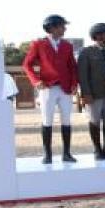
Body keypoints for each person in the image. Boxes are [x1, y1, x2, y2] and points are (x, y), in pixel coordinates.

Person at [22, 14, 79, 164]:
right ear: (52, 27)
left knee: (66, 121)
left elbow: (72, 66)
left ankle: (66, 153)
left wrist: (74, 84)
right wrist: (35, 81)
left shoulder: (67, 45)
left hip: (65, 88)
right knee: (47, 121)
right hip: (47, 88)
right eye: (62, 26)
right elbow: (26, 65)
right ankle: (47, 155)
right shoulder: (38, 44)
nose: (64, 28)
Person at [77, 22, 105, 160]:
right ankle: (97, 149)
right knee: (94, 121)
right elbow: (82, 75)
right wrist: (85, 93)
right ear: (98, 35)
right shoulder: (87, 52)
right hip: (94, 93)